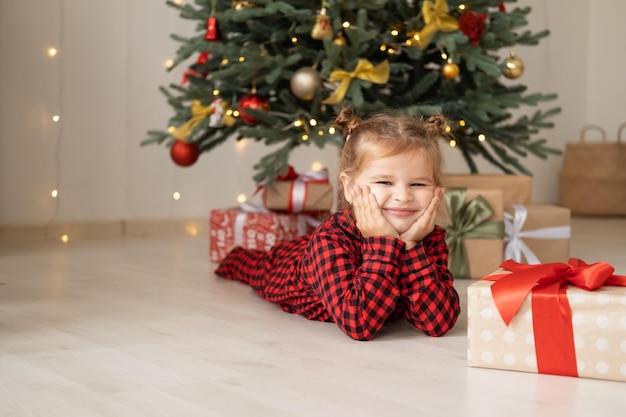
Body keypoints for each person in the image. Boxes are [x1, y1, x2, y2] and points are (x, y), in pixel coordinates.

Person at [215, 107, 460, 340]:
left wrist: (411, 246)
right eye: (385, 182)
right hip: (285, 269)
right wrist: (384, 244)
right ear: (351, 187)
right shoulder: (331, 240)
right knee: (254, 267)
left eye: (418, 184)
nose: (403, 196)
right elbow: (359, 324)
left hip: (337, 257)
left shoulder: (427, 236)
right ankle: (235, 257)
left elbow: (437, 323)